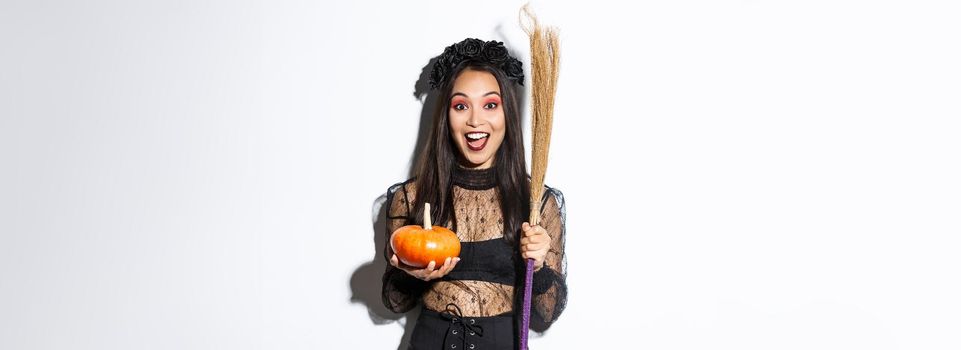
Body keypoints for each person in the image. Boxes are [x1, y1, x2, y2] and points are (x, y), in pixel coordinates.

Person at [381, 38, 568, 350]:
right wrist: (411, 274)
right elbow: (395, 302)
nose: (476, 120)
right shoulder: (411, 197)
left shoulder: (536, 203)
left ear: (507, 113)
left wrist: (538, 268)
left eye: (490, 105)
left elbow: (546, 313)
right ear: (447, 116)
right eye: (461, 106)